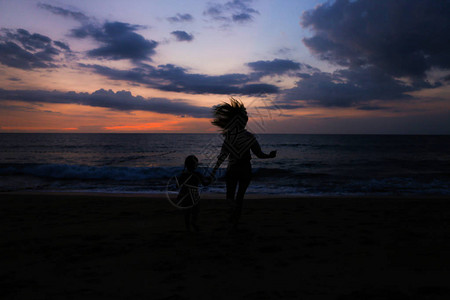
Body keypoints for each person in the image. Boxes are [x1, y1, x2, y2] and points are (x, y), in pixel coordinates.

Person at [211, 98, 276, 231]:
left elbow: (222, 156)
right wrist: (270, 156)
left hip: (233, 169)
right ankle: (235, 222)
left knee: (230, 197)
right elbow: (259, 154)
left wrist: (214, 171)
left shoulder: (230, 136)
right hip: (246, 169)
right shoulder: (249, 137)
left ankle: (233, 218)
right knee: (239, 198)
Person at [177, 155, 211, 232]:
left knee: (187, 213)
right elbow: (205, 184)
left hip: (184, 195)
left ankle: (188, 228)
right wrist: (210, 180)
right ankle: (193, 223)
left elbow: (178, 185)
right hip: (194, 196)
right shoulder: (197, 174)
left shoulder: (183, 174)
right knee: (195, 211)